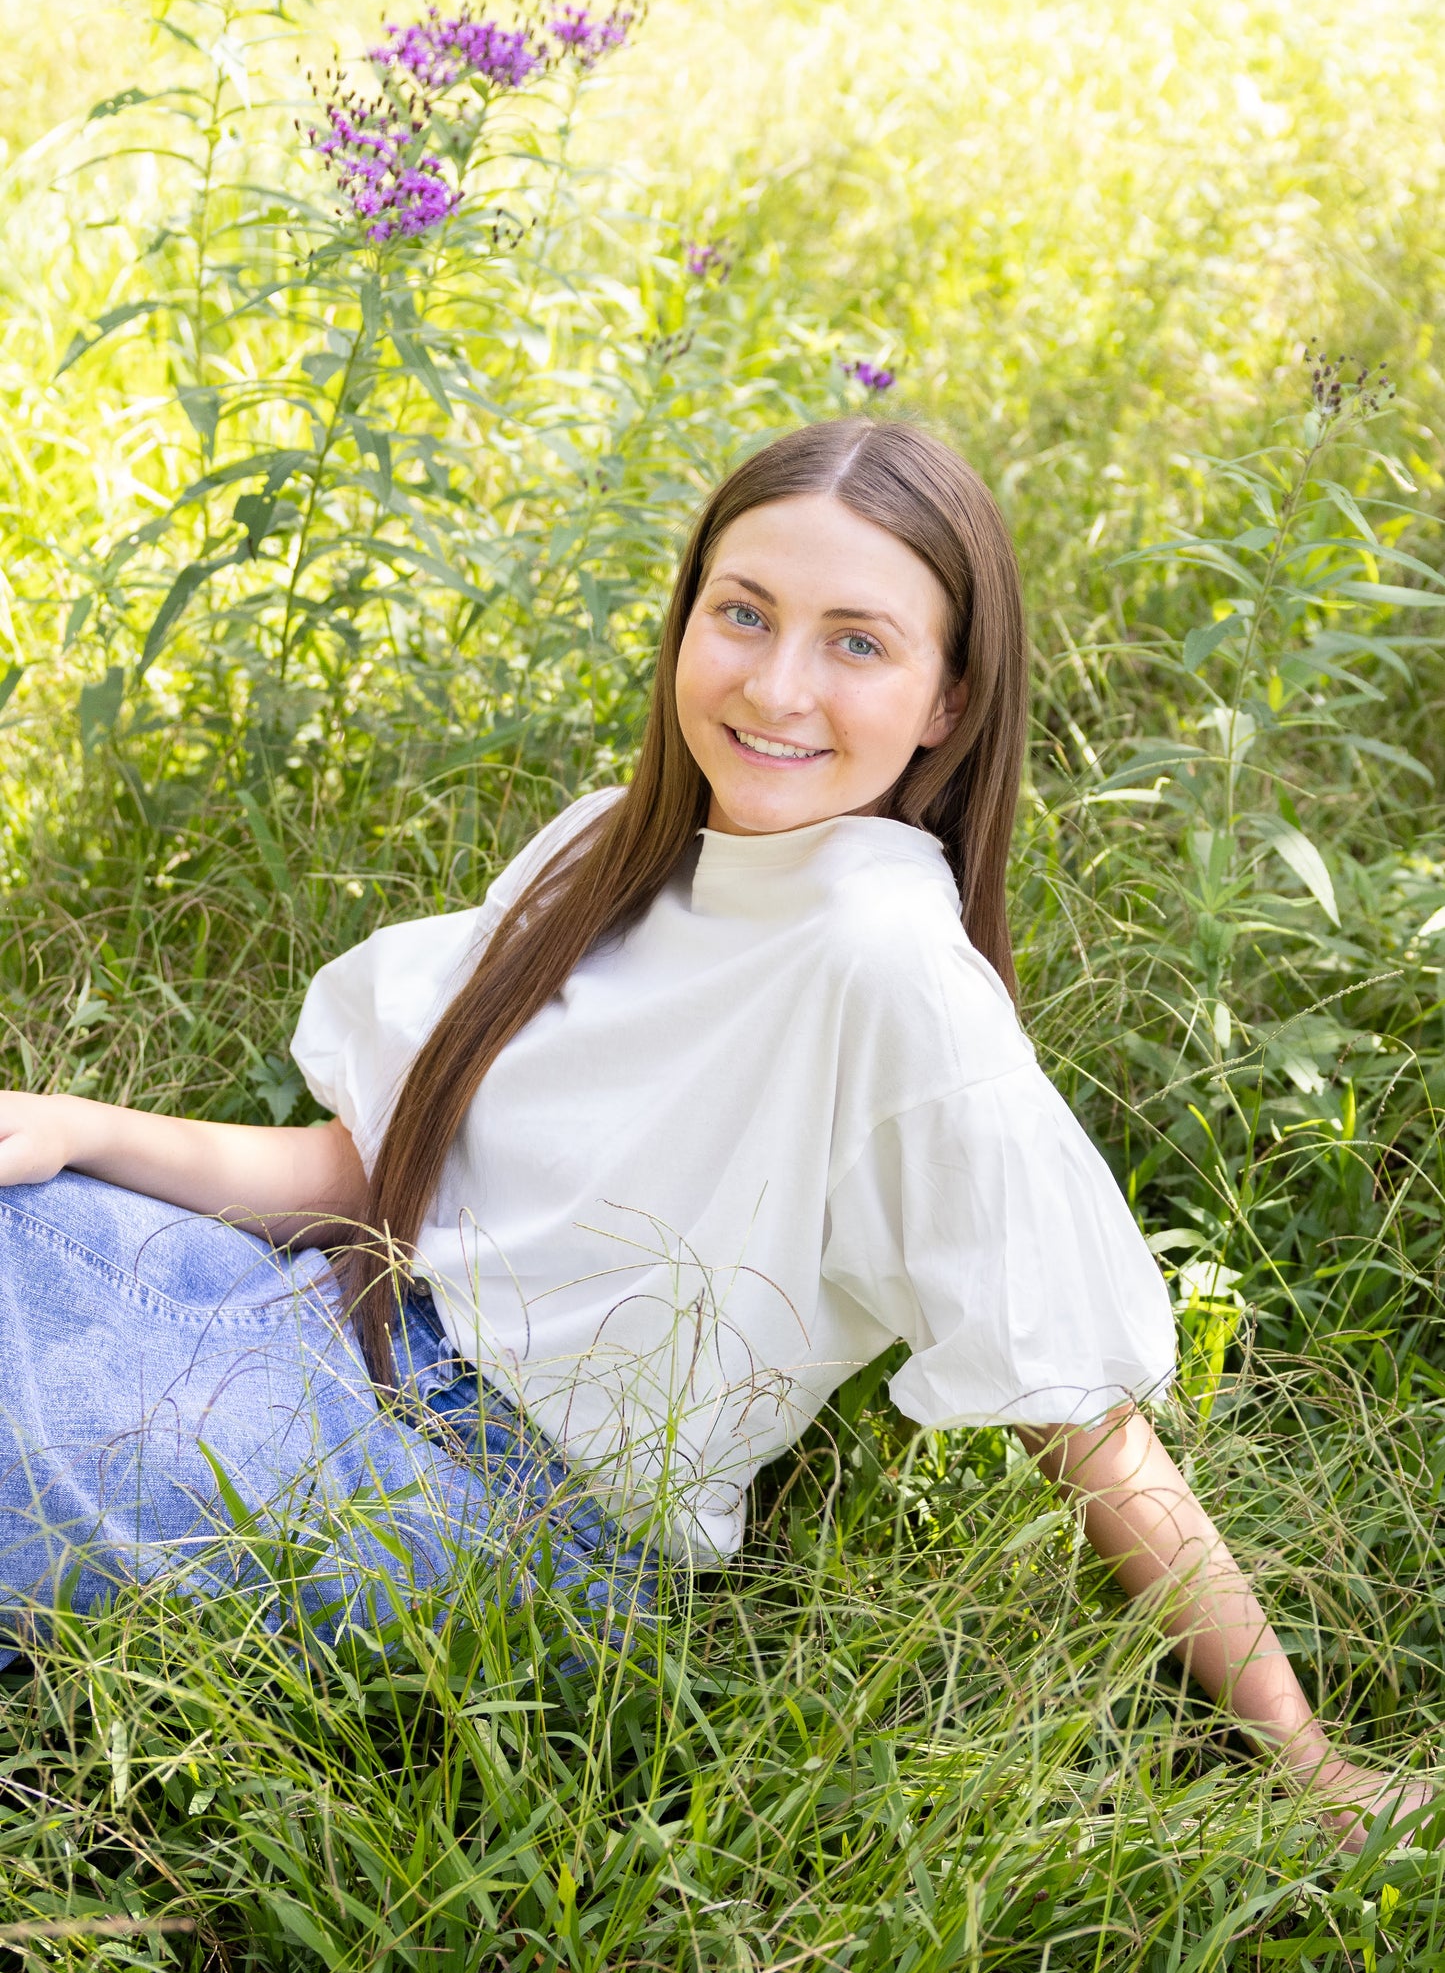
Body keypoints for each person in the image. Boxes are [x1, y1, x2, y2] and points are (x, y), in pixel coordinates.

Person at [0, 420, 1425, 1845]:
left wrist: (1307, 1768)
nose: (775, 684)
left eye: (855, 643)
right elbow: (363, 1181)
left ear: (948, 700)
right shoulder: (610, 846)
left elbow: (1090, 1428)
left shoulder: (889, 966)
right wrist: (70, 1127)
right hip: (332, 1327)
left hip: (511, 1522)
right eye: (741, 614)